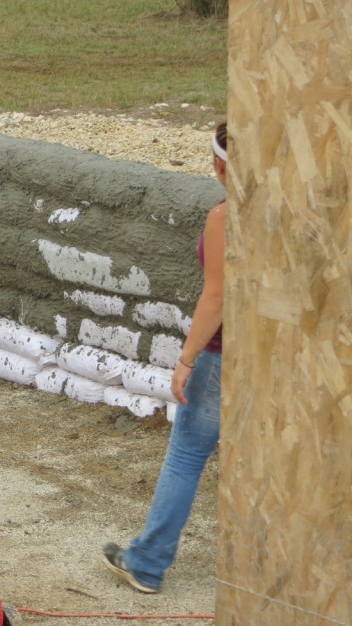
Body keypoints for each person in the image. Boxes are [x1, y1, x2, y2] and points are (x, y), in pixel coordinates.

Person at [102, 121, 227, 593]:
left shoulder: (226, 217)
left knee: (188, 453)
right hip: (281, 354)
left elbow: (216, 297)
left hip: (225, 357)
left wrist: (188, 359)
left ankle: (147, 563)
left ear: (219, 166)